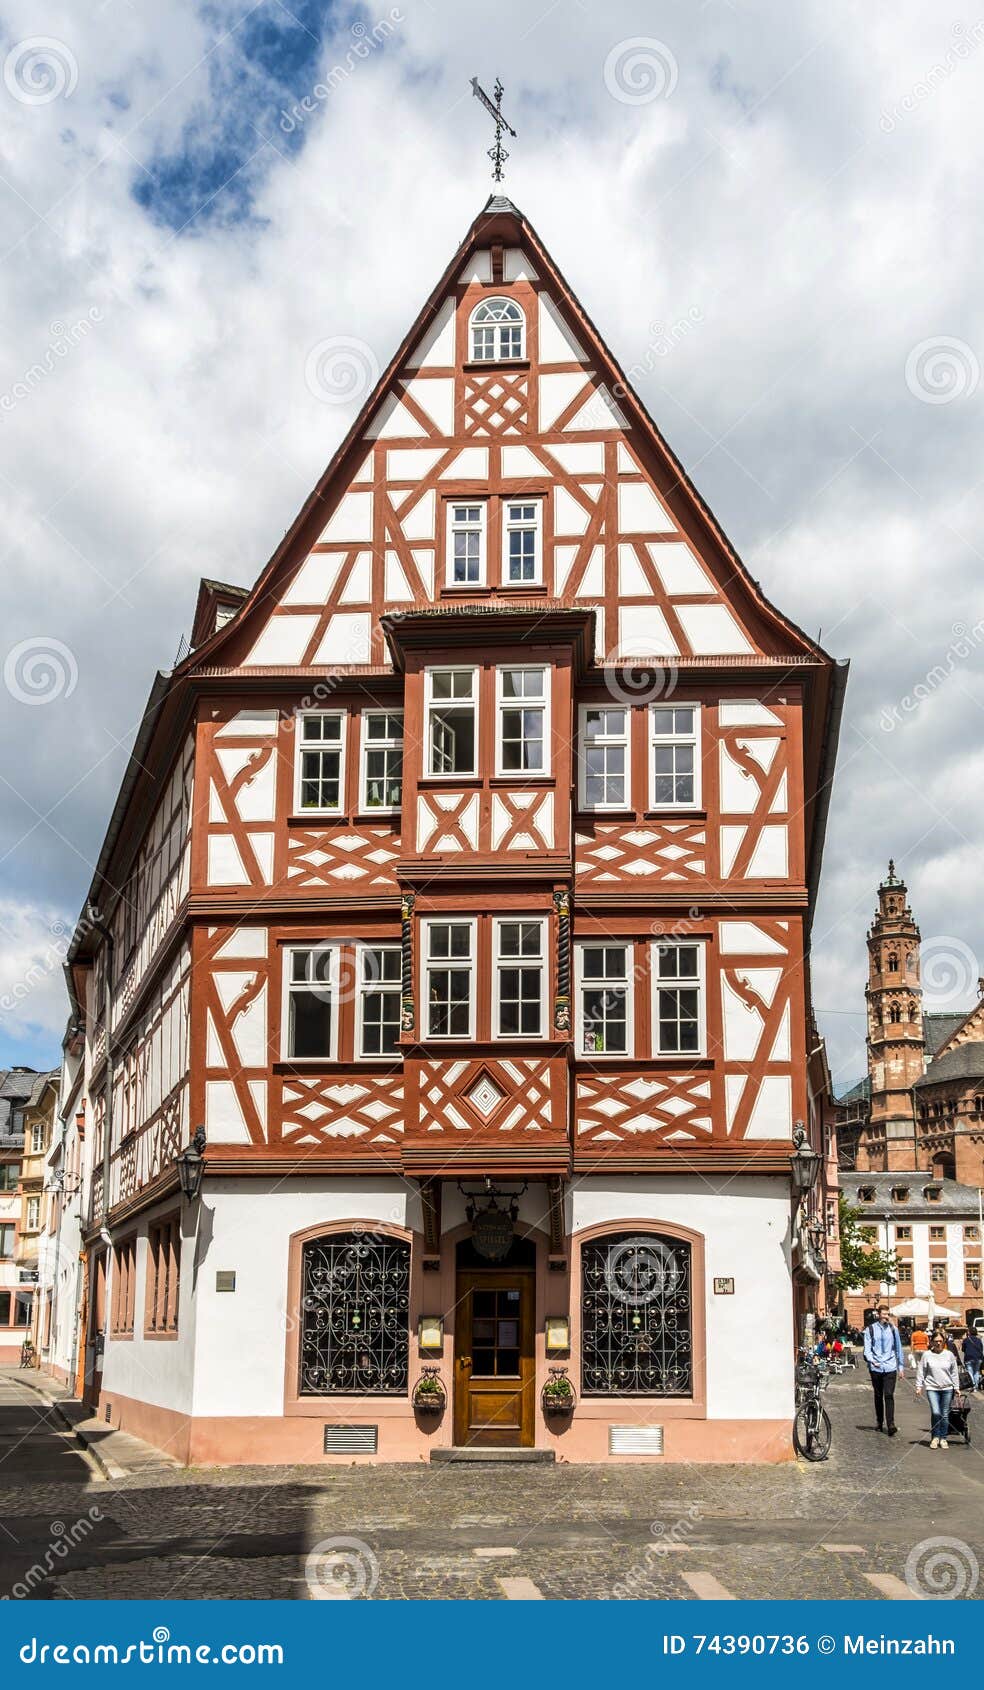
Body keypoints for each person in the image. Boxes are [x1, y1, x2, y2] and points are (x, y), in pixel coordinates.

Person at [863, 1305, 904, 1435]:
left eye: (888, 1314)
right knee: (878, 1395)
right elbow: (867, 1348)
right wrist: (871, 1360)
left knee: (889, 1394)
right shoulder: (870, 1329)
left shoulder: (893, 1329)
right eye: (884, 1314)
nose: (886, 1317)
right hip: (876, 1367)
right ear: (879, 1315)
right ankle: (879, 1422)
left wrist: (901, 1366)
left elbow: (898, 1348)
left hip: (890, 1366)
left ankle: (891, 1424)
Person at [916, 1330, 961, 1448]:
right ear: (931, 1342)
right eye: (936, 1341)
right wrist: (919, 1386)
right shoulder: (927, 1355)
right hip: (932, 1388)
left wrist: (956, 1387)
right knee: (936, 1412)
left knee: (944, 1414)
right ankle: (935, 1437)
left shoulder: (949, 1355)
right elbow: (921, 1371)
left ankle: (943, 1438)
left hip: (947, 1388)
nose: (938, 1343)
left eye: (941, 1341)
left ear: (944, 1341)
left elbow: (954, 1372)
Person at [962, 1327, 983, 1391]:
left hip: (969, 1357)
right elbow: (981, 1348)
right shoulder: (979, 1340)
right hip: (978, 1358)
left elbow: (963, 1349)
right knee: (976, 1372)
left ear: (969, 1332)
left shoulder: (966, 1340)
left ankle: (972, 1385)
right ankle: (976, 1387)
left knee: (970, 1372)